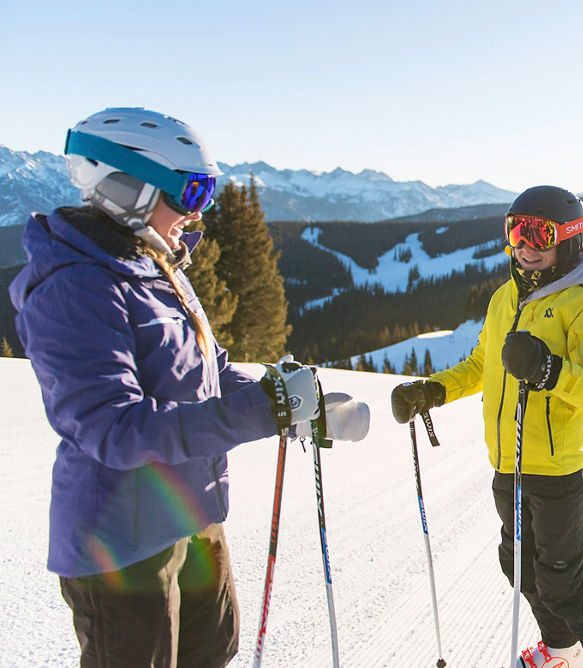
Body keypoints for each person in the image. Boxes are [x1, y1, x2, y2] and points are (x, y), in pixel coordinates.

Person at [8, 107, 369, 667]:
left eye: (206, 193)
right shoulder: (73, 286)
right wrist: (263, 409)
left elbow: (213, 371)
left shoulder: (152, 266)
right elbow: (115, 429)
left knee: (213, 651)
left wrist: (291, 401)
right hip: (121, 548)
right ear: (125, 185)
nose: (196, 213)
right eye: (188, 193)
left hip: (192, 516)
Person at [390, 186, 583, 668]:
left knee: (565, 583)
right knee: (521, 569)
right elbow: (481, 364)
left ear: (568, 239)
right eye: (515, 231)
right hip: (508, 463)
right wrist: (433, 390)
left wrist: (548, 371)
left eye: (539, 233)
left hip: (557, 470)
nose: (524, 245)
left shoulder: (582, 305)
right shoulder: (505, 298)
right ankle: (562, 651)